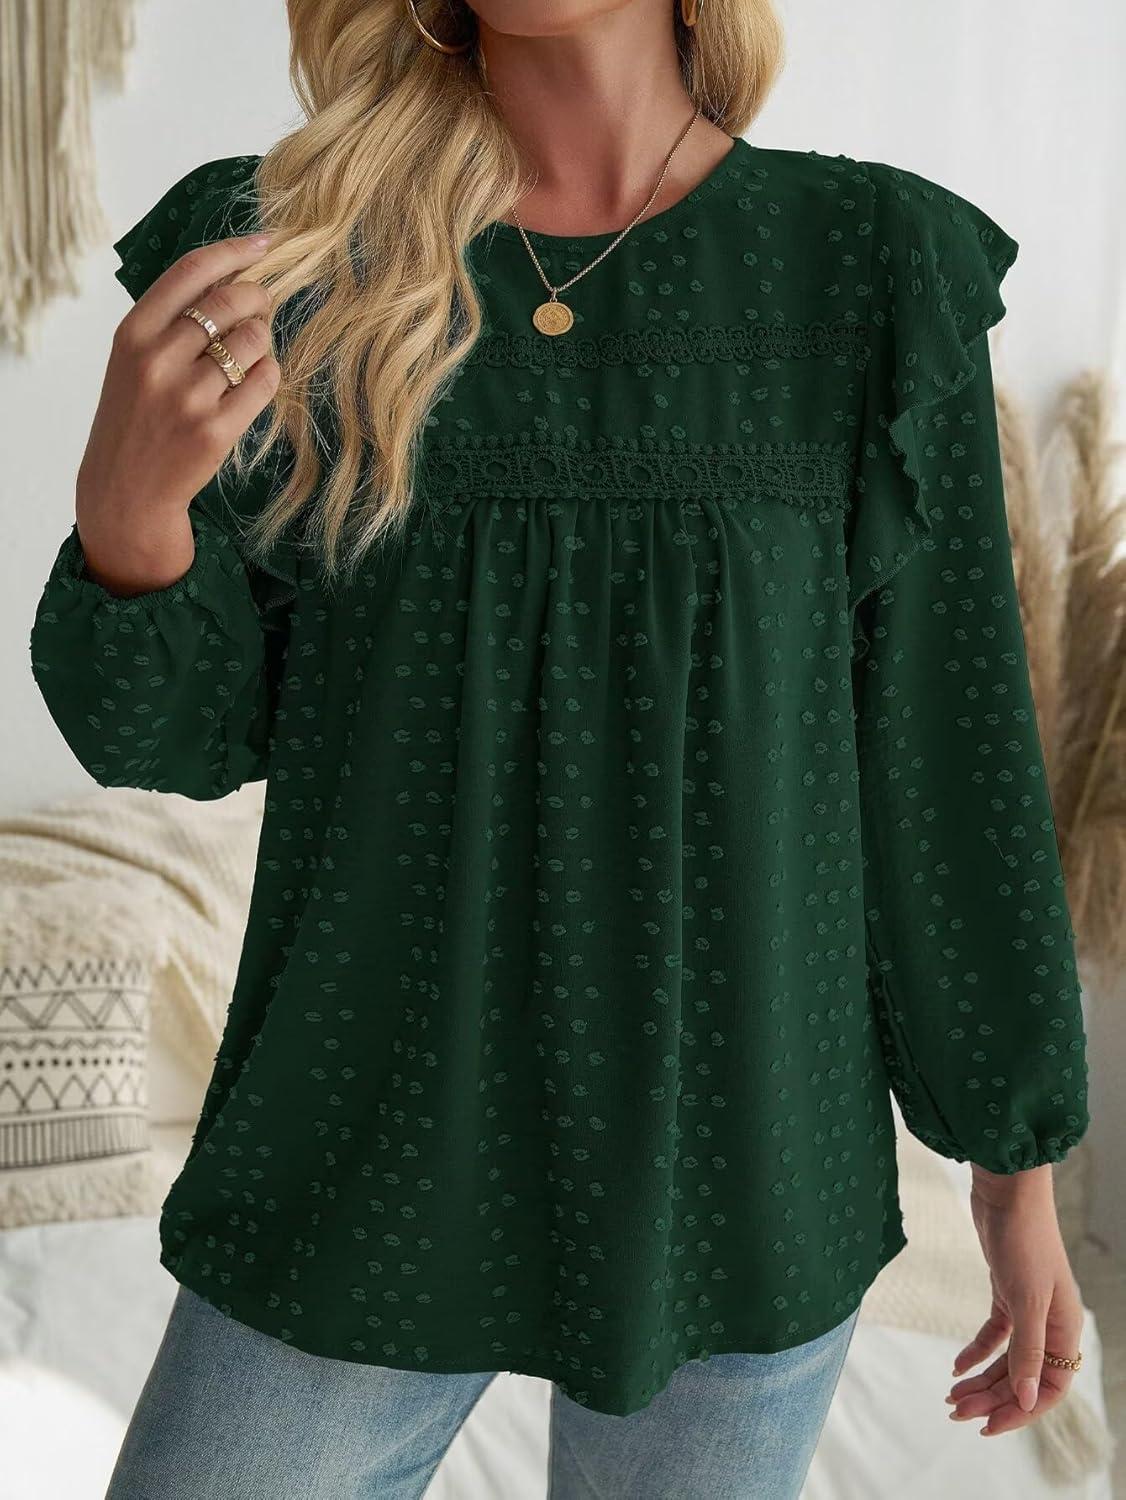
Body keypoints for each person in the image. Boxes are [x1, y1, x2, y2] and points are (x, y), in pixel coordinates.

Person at [27, 1, 1091, 1496]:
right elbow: (175, 738)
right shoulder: (283, 254)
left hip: (739, 1163)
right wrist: (127, 512)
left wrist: (1014, 1177)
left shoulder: (866, 263)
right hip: (367, 1150)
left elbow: (945, 758)